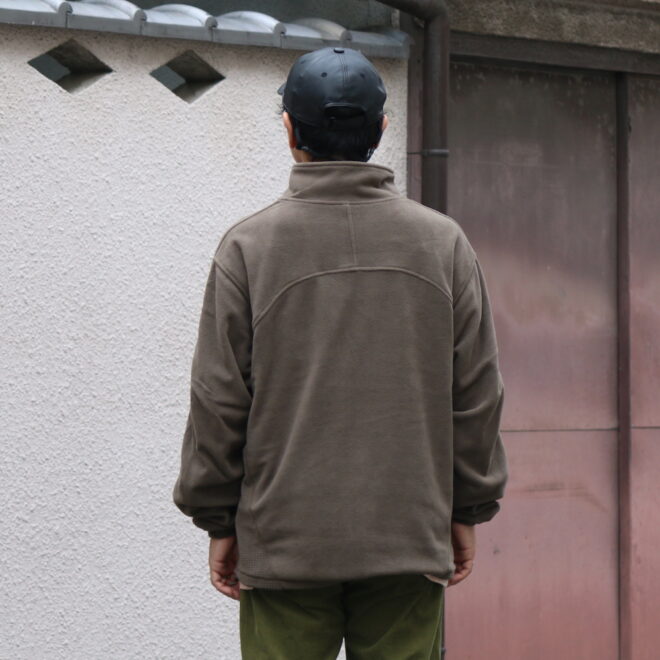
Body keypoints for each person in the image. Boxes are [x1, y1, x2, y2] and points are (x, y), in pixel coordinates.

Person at [172, 45, 508, 659]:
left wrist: (219, 519)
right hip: (408, 535)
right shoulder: (443, 243)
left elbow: (218, 399)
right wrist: (467, 507)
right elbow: (476, 394)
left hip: (284, 541)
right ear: (381, 130)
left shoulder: (249, 247)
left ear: (289, 130)